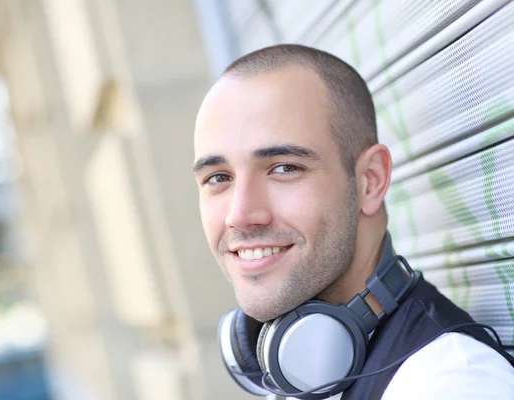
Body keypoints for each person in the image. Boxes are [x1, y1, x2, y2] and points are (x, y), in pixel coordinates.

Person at [192, 44, 514, 399]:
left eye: (284, 168)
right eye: (218, 177)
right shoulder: (305, 374)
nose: (239, 215)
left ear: (370, 180)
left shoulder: (449, 384)